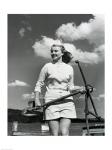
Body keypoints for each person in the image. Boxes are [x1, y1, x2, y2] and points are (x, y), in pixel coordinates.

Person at [34, 44, 78, 136]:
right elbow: (39, 84)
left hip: (67, 101)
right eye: (52, 51)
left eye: (56, 51)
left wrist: (81, 88)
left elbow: (71, 87)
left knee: (64, 132)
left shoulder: (69, 68)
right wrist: (37, 100)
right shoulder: (47, 66)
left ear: (62, 53)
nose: (53, 53)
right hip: (51, 101)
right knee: (55, 134)